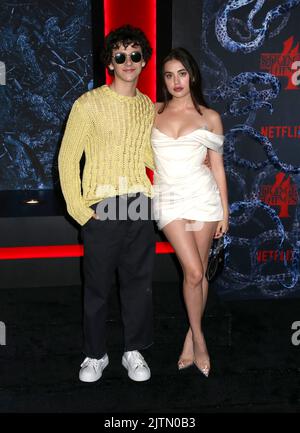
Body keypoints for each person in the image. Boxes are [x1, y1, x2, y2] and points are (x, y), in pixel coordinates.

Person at [58, 25, 156, 383]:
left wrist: (186, 164)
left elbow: (147, 153)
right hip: (102, 205)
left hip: (139, 204)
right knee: (97, 286)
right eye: (120, 56)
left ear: (143, 61)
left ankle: (134, 351)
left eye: (134, 55)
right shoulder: (88, 104)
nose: (127, 62)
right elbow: (67, 159)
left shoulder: (146, 106)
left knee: (139, 283)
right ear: (110, 62)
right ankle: (95, 355)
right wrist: (82, 212)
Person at [152, 47, 229, 377]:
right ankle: (200, 339)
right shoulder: (152, 112)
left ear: (192, 75)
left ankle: (189, 338)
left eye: (181, 73)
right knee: (195, 272)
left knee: (197, 274)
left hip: (204, 198)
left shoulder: (209, 117)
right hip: (168, 200)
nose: (175, 81)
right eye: (169, 75)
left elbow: (218, 169)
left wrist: (225, 213)